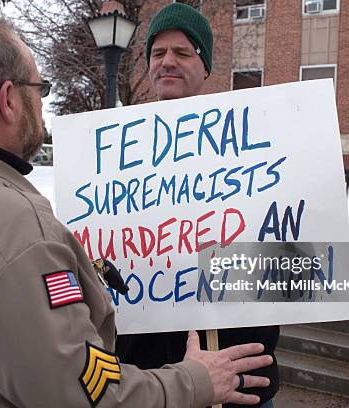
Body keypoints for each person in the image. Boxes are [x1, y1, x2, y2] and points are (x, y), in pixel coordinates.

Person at [0, 16, 273, 408]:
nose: (42, 103)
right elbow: (80, 394)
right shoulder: (25, 218)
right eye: (39, 89)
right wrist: (193, 381)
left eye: (182, 51)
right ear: (9, 100)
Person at [114, 4, 280, 408]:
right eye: (158, 53)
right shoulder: (120, 155)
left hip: (240, 374)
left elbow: (285, 250)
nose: (168, 61)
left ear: (204, 66)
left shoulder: (252, 146)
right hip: (148, 382)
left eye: (183, 52)